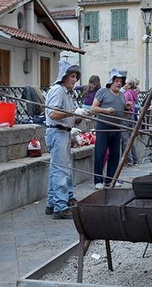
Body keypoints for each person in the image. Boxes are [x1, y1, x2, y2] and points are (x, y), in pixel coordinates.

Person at [44, 60, 82, 219]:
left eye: (76, 76)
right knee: (60, 170)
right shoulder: (58, 90)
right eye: (72, 76)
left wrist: (79, 117)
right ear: (64, 77)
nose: (74, 79)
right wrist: (73, 113)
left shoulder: (67, 92)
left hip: (63, 133)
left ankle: (52, 203)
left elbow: (68, 115)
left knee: (57, 170)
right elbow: (53, 114)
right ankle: (60, 207)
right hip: (57, 133)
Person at [90, 69, 129, 189]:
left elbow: (122, 110)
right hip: (103, 126)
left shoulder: (122, 95)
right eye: (116, 81)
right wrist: (106, 111)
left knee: (115, 155)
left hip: (117, 127)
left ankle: (111, 179)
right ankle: (98, 180)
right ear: (110, 82)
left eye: (120, 81)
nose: (119, 83)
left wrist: (126, 107)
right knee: (100, 154)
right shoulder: (103, 92)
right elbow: (94, 108)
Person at [121, 77, 140, 166]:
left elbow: (124, 105)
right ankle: (135, 159)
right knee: (131, 139)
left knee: (126, 140)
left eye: (126, 83)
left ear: (129, 85)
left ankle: (129, 161)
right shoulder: (133, 93)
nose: (124, 84)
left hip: (125, 116)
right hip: (131, 116)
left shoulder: (127, 94)